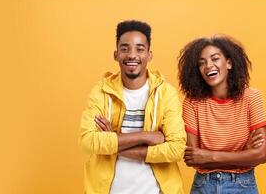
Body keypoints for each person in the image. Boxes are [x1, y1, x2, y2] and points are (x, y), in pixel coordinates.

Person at [78, 20, 186, 194]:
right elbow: (88, 142)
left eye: (139, 49)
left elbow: (176, 149)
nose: (132, 55)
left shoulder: (166, 93)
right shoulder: (101, 91)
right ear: (116, 54)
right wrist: (146, 136)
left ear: (149, 55)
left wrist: (113, 140)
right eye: (125, 48)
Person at [178, 35, 266, 194]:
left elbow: (261, 155)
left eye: (215, 59)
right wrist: (242, 155)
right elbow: (193, 158)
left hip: (242, 186)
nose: (208, 66)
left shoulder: (251, 97)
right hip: (204, 186)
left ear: (229, 63)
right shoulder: (192, 103)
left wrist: (209, 156)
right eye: (202, 63)